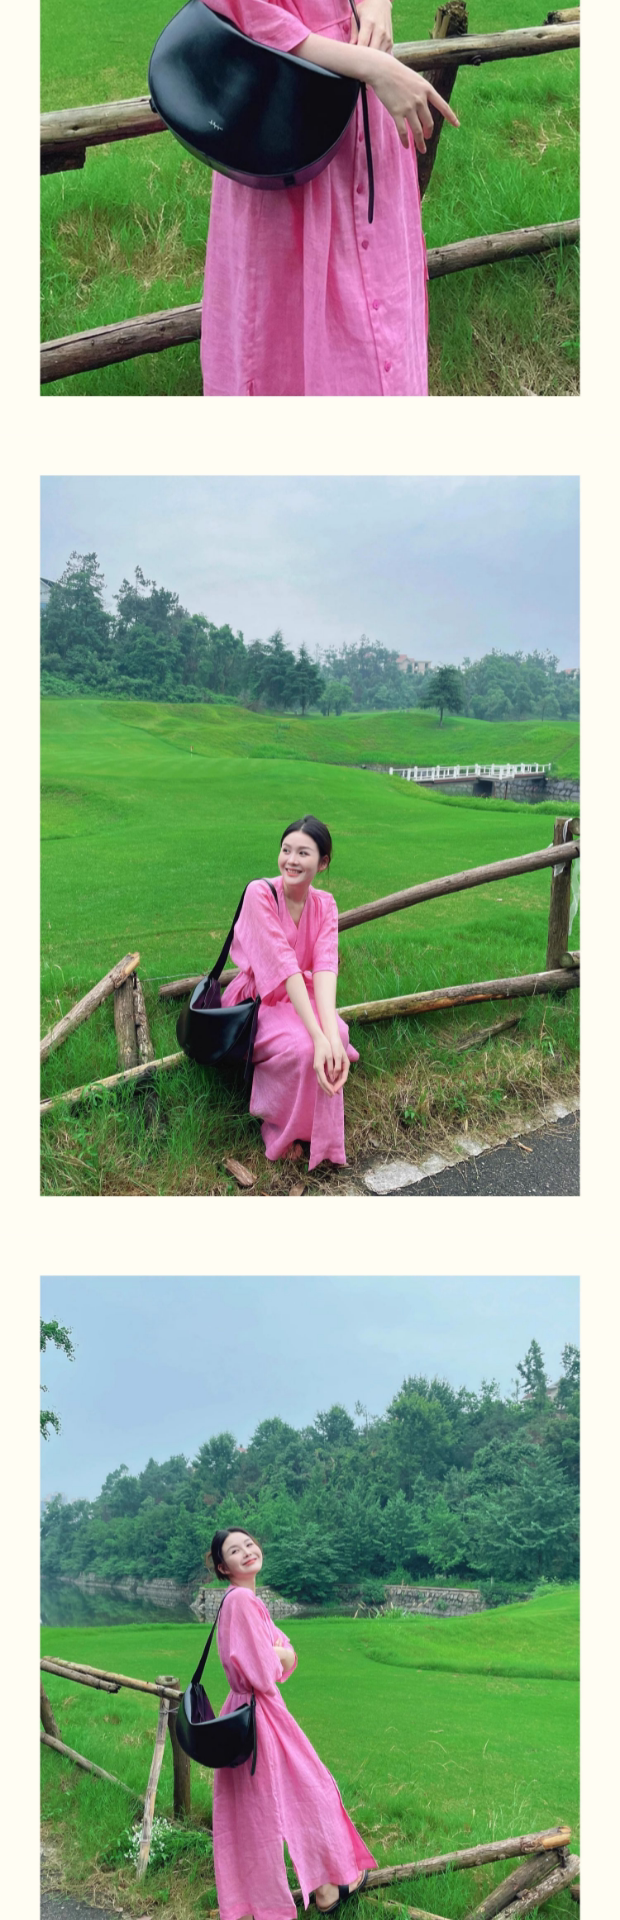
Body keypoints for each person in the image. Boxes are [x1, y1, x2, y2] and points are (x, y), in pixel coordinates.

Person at [200, 0, 459, 396]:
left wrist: (377, 3)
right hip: (286, 142)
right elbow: (247, 13)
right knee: (289, 345)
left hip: (371, 134)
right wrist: (369, 66)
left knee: (386, 336)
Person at [209, 1527, 376, 1920]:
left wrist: (280, 1654)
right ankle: (326, 1889)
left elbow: (284, 1651)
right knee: (309, 1791)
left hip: (251, 1711)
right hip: (259, 1714)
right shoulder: (241, 1601)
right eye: (234, 1551)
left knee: (268, 1807)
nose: (246, 1552)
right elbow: (266, 1669)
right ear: (223, 1567)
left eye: (249, 1544)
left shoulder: (248, 1600)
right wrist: (279, 1656)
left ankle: (316, 1890)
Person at [221, 816, 357, 1168]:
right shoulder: (260, 894)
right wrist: (318, 1036)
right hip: (260, 999)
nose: (291, 860)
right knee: (304, 1046)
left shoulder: (325, 904)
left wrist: (330, 1035)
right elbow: (283, 968)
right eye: (286, 850)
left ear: (323, 862)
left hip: (301, 993)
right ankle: (280, 1128)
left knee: (339, 1036)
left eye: (303, 853)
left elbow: (325, 967)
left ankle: (318, 1131)